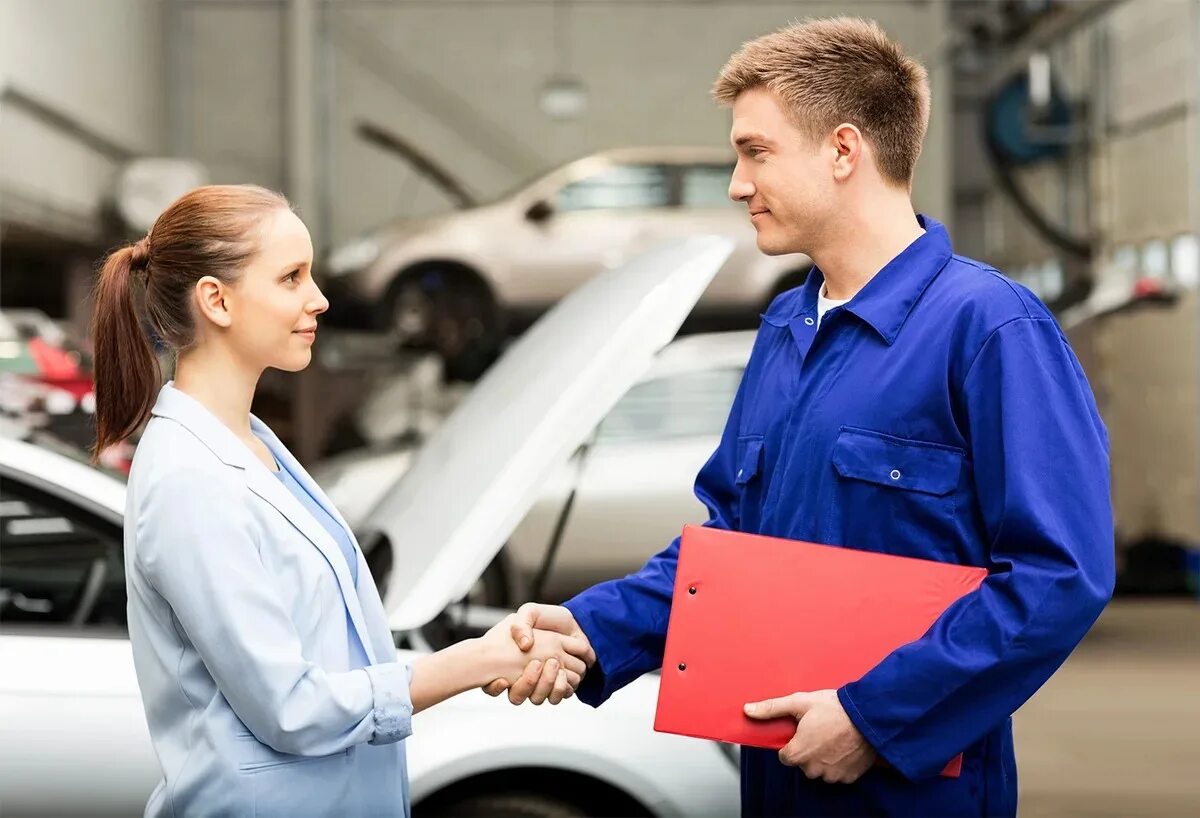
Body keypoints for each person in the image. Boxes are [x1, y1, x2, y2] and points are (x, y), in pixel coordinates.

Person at [494, 17, 1115, 817]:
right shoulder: (787, 327)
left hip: (913, 792)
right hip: (777, 771)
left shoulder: (989, 327)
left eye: (756, 151)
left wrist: (872, 718)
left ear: (844, 150)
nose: (737, 182)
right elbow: (729, 549)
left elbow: (1060, 576)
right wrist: (592, 630)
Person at [91, 184, 589, 818]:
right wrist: (477, 660)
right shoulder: (189, 480)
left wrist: (484, 655)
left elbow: (337, 654)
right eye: (291, 277)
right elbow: (292, 709)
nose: (318, 299)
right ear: (216, 300)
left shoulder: (251, 443)